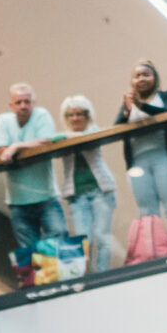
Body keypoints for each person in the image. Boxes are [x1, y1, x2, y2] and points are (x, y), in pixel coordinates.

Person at [111, 60, 167, 244]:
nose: (142, 79)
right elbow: (117, 128)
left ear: (155, 78)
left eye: (146, 74)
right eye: (137, 76)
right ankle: (155, 252)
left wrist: (142, 105)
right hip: (138, 163)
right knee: (147, 211)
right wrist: (128, 111)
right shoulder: (129, 104)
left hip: (165, 158)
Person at [52, 95, 121, 274]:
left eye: (79, 114)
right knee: (84, 239)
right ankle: (86, 276)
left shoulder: (94, 131)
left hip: (101, 191)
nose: (75, 118)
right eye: (70, 115)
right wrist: (69, 136)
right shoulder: (63, 137)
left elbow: (92, 137)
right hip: (77, 195)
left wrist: (72, 137)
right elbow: (51, 140)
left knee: (102, 236)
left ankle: (102, 273)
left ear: (87, 115)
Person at [0, 83, 64, 253]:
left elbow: (46, 142)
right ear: (11, 105)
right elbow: (2, 150)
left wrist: (16, 147)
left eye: (27, 101)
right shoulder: (3, 120)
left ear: (34, 102)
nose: (23, 106)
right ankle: (41, 280)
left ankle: (60, 278)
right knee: (29, 250)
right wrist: (23, 151)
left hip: (47, 196)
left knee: (58, 237)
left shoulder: (42, 115)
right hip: (18, 201)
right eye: (18, 102)